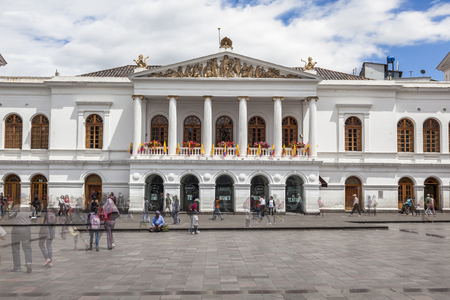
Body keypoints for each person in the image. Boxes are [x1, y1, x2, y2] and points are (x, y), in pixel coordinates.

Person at [10, 204, 33, 272]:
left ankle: (17, 267)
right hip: (26, 229)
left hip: (16, 229)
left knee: (15, 248)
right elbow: (34, 219)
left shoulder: (16, 207)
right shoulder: (31, 208)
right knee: (27, 247)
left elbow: (10, 216)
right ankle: (28, 262)